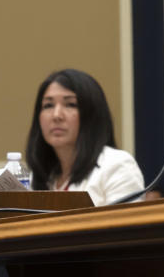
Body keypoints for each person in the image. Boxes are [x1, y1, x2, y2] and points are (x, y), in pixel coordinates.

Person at [26, 69, 145, 206]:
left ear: (92, 114)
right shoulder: (38, 178)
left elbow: (123, 226)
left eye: (70, 104)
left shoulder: (117, 165)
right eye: (48, 105)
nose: (56, 115)